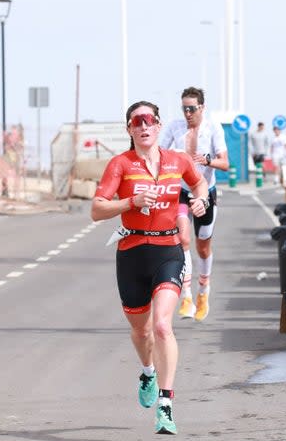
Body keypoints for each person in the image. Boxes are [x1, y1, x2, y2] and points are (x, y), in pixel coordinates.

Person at [91, 101, 210, 435]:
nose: (144, 126)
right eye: (136, 121)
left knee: (161, 326)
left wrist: (201, 199)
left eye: (150, 120)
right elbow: (97, 210)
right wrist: (129, 202)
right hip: (131, 253)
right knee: (141, 331)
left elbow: (198, 184)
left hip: (168, 250)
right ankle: (147, 371)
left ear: (159, 126)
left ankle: (166, 404)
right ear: (129, 129)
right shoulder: (120, 164)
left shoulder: (178, 160)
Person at [159, 87, 229, 322]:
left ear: (202, 108)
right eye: (184, 109)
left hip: (205, 192)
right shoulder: (175, 127)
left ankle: (203, 291)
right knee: (183, 239)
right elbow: (159, 153)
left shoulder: (213, 128)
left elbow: (225, 163)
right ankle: (186, 296)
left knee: (202, 247)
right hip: (181, 191)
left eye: (192, 109)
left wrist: (207, 160)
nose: (188, 113)